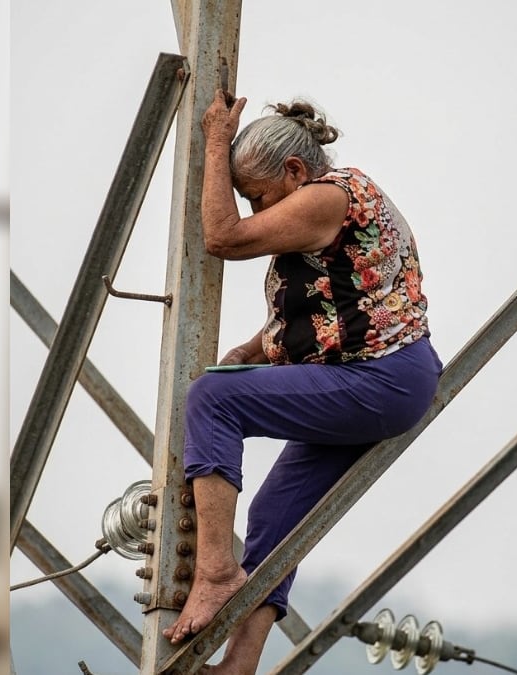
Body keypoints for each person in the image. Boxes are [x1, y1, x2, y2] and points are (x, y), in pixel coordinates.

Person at [161, 91, 442, 674]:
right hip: (374, 376)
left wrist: (215, 142)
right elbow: (327, 313)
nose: (253, 210)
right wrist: (243, 353)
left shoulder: (326, 198)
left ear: (293, 172)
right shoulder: (335, 207)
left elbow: (224, 238)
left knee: (213, 401)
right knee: (276, 514)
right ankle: (241, 665)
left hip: (378, 379)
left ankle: (215, 571)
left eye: (256, 197)